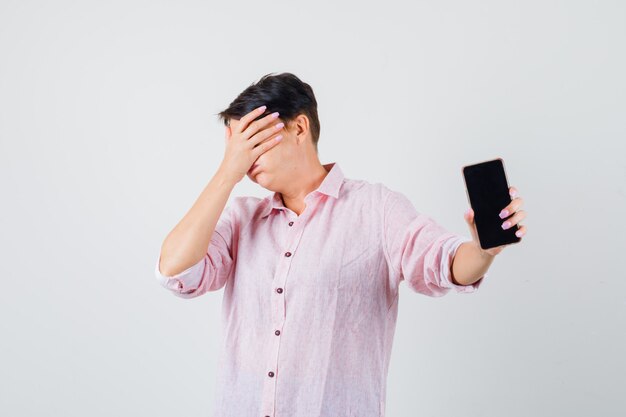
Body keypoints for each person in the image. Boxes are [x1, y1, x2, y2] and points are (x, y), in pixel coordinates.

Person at [154, 72, 527, 417]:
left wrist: (482, 250)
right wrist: (225, 174)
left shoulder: (376, 208)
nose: (244, 160)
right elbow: (175, 272)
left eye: (250, 142)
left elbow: (442, 264)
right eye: (236, 148)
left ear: (299, 127)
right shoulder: (240, 218)